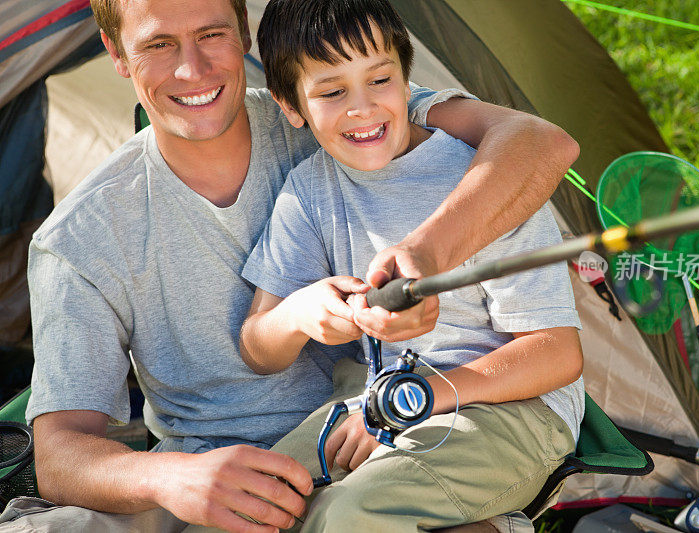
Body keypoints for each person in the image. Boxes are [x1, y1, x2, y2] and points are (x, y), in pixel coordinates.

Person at [0, 0, 579, 531]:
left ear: (243, 32)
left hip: (389, 425)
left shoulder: (343, 112)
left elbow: (535, 147)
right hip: (219, 475)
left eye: (211, 34)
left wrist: (430, 253)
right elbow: (59, 455)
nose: (192, 68)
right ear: (116, 51)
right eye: (158, 44)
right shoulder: (80, 238)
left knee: (348, 516)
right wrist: (172, 477)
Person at [239, 0, 584, 531]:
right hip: (375, 403)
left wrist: (422, 399)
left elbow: (557, 354)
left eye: (380, 79)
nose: (362, 107)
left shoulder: (485, 183)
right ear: (291, 105)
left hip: (513, 410)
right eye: (331, 92)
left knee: (348, 516)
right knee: (247, 510)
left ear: (407, 80)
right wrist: (301, 315)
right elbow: (258, 348)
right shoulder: (308, 193)